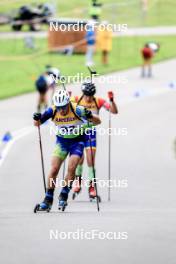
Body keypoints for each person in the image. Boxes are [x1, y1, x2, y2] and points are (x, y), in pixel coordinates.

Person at [33, 89, 101, 211]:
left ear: (68, 104)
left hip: (78, 141)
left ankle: (64, 194)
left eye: (64, 107)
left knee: (71, 167)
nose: (61, 110)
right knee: (54, 169)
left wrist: (90, 115)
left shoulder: (77, 109)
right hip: (62, 142)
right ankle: (48, 199)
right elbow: (37, 124)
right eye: (59, 107)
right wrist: (37, 118)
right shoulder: (52, 110)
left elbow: (98, 122)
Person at [71, 82, 118, 200]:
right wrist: (68, 98)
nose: (88, 97)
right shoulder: (76, 99)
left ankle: (92, 188)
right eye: (86, 95)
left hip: (90, 132)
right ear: (83, 93)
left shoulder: (98, 101)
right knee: (79, 159)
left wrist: (112, 100)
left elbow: (114, 111)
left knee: (90, 160)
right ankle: (78, 182)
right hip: (78, 132)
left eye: (90, 95)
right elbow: (62, 108)